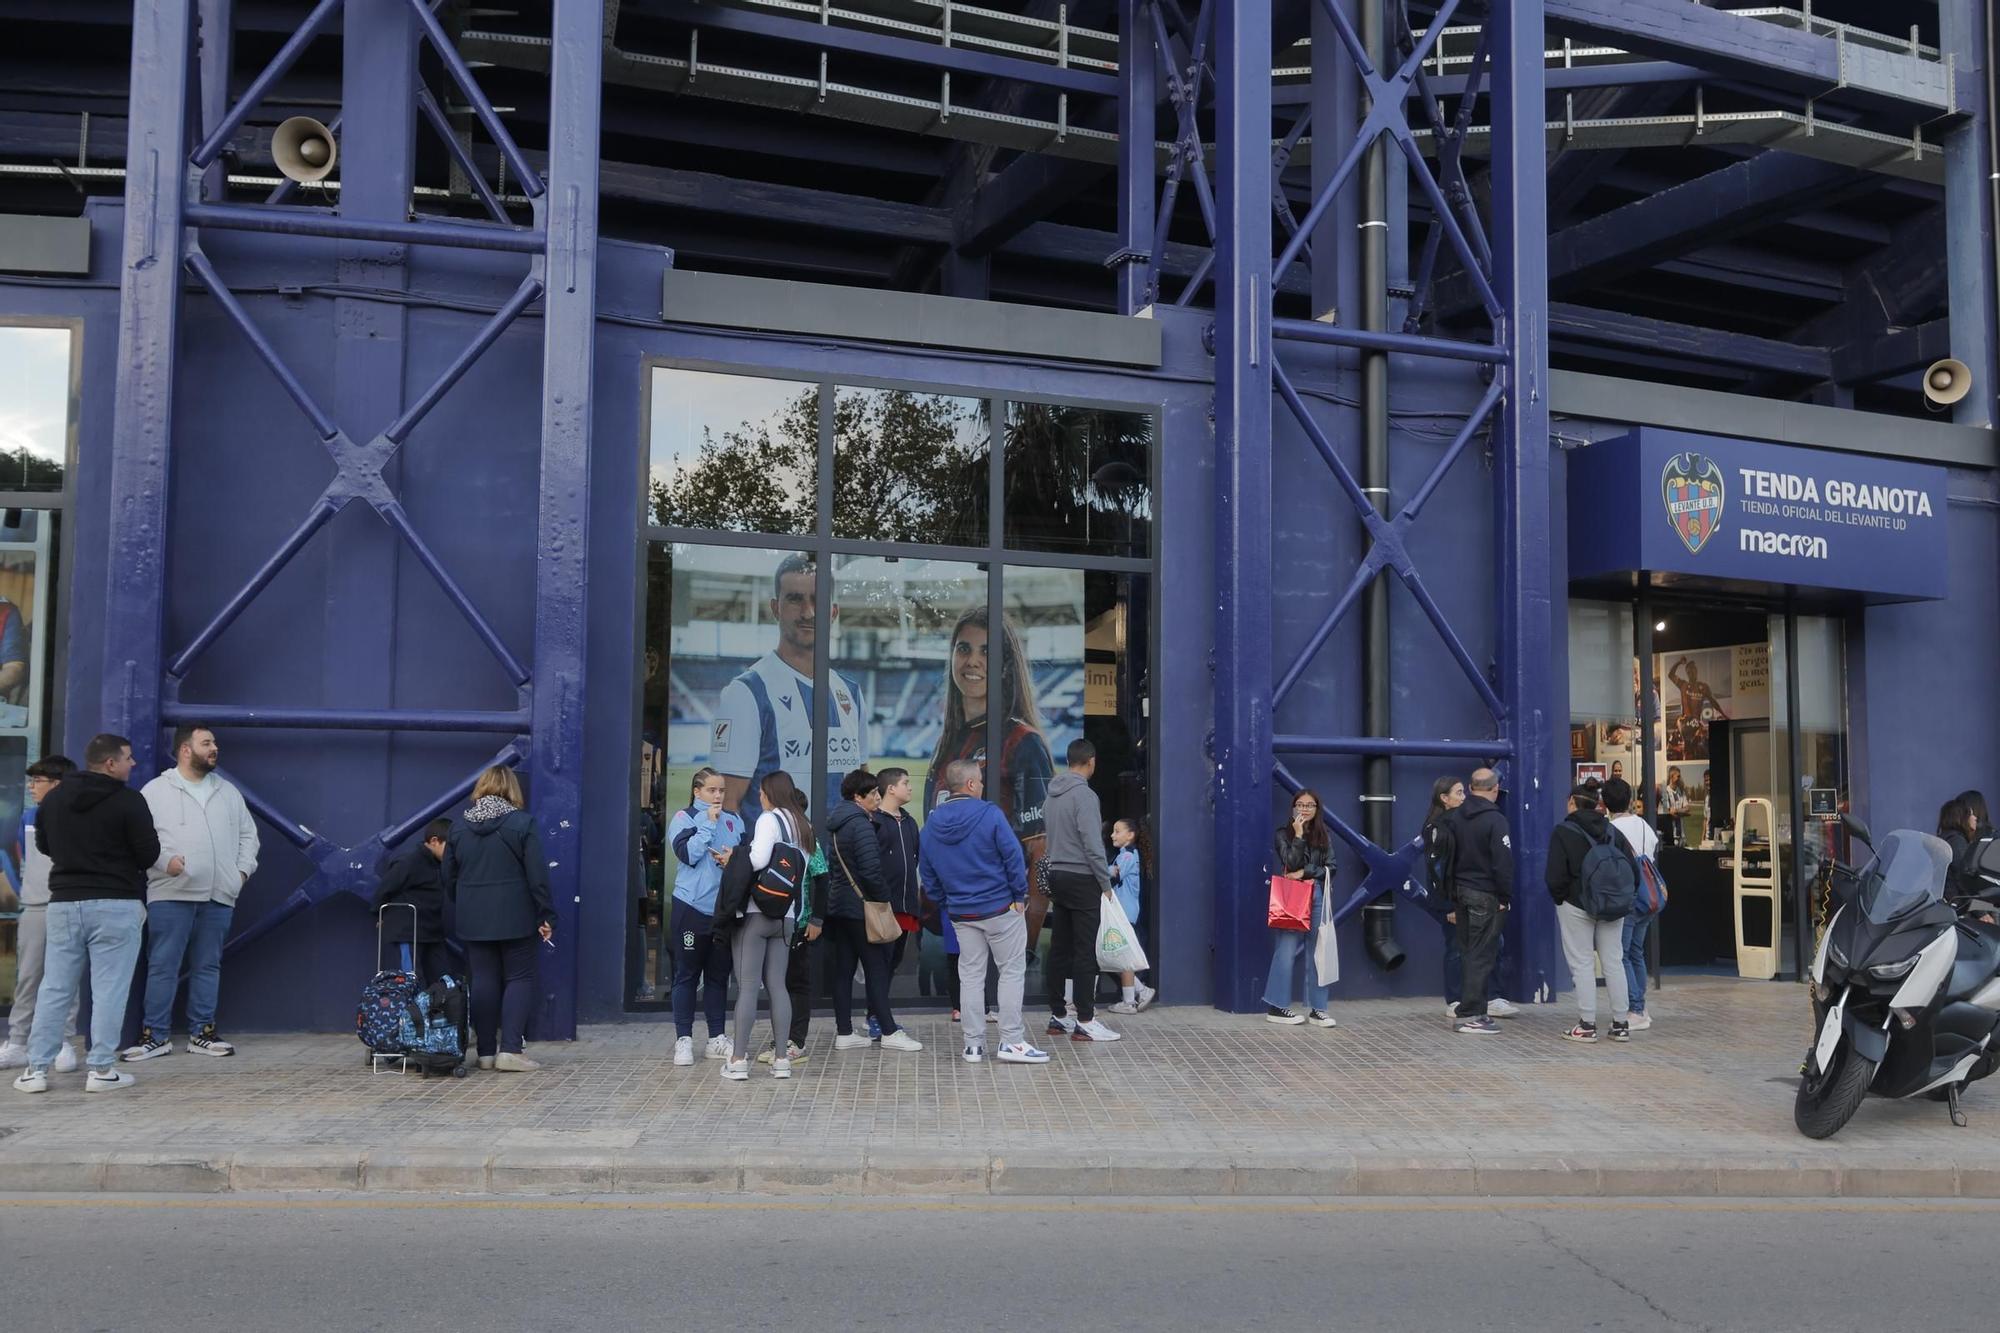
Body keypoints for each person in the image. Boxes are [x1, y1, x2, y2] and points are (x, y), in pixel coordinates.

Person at [14, 734, 158, 1094]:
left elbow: (45, 845)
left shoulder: (55, 799)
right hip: (115, 903)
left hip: (63, 903)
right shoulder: (129, 801)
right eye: (128, 758)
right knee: (109, 989)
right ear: (110, 763)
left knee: (55, 988)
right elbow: (148, 854)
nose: (133, 763)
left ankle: (35, 1070)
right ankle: (101, 1070)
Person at [124, 725, 260, 1061]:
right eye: (207, 743)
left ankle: (203, 1033)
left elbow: (249, 837)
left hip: (219, 896)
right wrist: (162, 861)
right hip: (171, 895)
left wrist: (239, 873)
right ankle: (155, 1036)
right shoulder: (155, 791)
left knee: (208, 966)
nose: (214, 748)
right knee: (162, 967)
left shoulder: (228, 792)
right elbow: (139, 839)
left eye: (214, 742)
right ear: (186, 749)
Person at [925, 608, 1056, 951]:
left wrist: (1023, 945)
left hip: (997, 922)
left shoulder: (1022, 742)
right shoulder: (949, 742)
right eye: (964, 648)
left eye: (987, 652)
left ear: (1005, 666)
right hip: (951, 917)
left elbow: (1040, 854)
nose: (973, 661)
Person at [712, 555, 869, 828]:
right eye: (795, 599)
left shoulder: (851, 693)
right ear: (776, 608)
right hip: (779, 865)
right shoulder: (746, 692)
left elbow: (863, 791)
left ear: (833, 612)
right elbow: (727, 805)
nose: (808, 612)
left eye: (817, 600)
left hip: (840, 865)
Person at [918, 758, 1048, 1064]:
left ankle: (973, 1045)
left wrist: (946, 902)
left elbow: (928, 872)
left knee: (971, 978)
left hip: (962, 912)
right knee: (1011, 973)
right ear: (971, 784)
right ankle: (1011, 1041)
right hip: (999, 907)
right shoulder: (989, 813)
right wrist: (1019, 895)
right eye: (979, 780)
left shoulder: (932, 823)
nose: (981, 785)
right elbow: (1013, 856)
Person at [443, 766, 555, 1072]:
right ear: (511, 790)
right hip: (516, 915)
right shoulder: (522, 823)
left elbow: (448, 877)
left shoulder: (458, 828)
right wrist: (545, 913)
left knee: (483, 980)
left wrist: (467, 901)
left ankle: (486, 1052)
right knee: (519, 977)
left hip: (473, 917)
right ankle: (510, 1050)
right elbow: (537, 875)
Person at [722, 771, 819, 1082]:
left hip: (756, 912)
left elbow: (759, 858)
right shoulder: (803, 824)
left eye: (762, 792)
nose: (759, 797)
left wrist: (732, 859)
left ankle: (738, 1059)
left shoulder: (769, 819)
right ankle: (781, 1060)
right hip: (787, 916)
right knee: (779, 986)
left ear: (770, 793)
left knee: (748, 986)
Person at [821, 769, 920, 1053]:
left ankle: (845, 1032)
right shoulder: (861, 824)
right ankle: (888, 1031)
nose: (877, 798)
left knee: (844, 970)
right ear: (857, 797)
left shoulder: (839, 822)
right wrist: (884, 901)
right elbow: (871, 871)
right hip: (860, 908)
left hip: (840, 906)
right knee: (877, 969)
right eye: (873, 794)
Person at [0, 755, 79, 1071]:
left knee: (65, 978)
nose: (31, 787)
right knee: (29, 977)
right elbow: (25, 859)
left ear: (57, 784)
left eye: (38, 781)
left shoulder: (79, 817)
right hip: (34, 906)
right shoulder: (29, 817)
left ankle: (63, 1042)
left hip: (68, 903)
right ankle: (18, 1042)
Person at [665, 767, 745, 1066]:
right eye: (712, 790)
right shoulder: (684, 818)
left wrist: (733, 861)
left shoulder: (734, 819)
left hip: (723, 910)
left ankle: (715, 1039)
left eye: (722, 790)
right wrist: (707, 826)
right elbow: (687, 855)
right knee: (686, 975)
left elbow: (746, 859)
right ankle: (683, 1040)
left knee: (718, 977)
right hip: (691, 908)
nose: (718, 796)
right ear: (697, 791)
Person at [1043, 740, 1121, 1042]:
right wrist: (1105, 883)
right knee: (1085, 950)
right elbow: (1092, 844)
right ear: (1090, 761)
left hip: (1058, 874)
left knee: (1060, 947)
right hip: (1082, 877)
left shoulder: (1051, 796)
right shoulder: (1085, 796)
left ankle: (1058, 1015)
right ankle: (1086, 1019)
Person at [1546, 781, 1634, 1044]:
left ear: (1572, 802)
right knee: (1613, 961)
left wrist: (1561, 899)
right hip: (1612, 905)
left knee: (1582, 963)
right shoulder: (1612, 830)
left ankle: (1587, 1024)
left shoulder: (1563, 831)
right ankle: (1620, 1024)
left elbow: (1555, 875)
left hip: (1576, 904)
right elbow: (1632, 869)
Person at [1263, 789, 1338, 1028]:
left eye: (1310, 805)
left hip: (1316, 893)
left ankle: (1318, 1009)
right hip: (1293, 897)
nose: (1304, 809)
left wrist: (1306, 872)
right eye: (1300, 805)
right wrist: (1298, 835)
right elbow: (1290, 863)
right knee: (1285, 950)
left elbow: (1332, 868)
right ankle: (1277, 1006)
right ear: (1293, 807)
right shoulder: (1282, 834)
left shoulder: (1324, 836)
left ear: (1317, 810)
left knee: (1319, 951)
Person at [1449, 769, 1515, 1035]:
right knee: (1482, 954)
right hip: (1486, 894)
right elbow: (1503, 863)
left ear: (1470, 786)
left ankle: (1474, 1011)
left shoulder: (1455, 817)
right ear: (1495, 789)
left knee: (1468, 952)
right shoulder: (1495, 820)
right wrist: (1505, 896)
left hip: (1461, 891)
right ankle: (1470, 1015)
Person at [1603, 777, 1660, 1031]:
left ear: (1605, 803)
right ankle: (1640, 1006)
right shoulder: (1644, 824)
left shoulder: (1613, 830)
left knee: (1622, 954)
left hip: (1627, 897)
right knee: (1635, 951)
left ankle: (1635, 1008)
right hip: (1649, 897)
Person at [871, 766, 924, 1038]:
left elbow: (915, 859)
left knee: (894, 961)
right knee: (881, 963)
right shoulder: (875, 821)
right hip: (882, 908)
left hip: (906, 906)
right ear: (890, 788)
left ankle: (876, 1015)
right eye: (906, 783)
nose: (910, 788)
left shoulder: (910, 821)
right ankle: (877, 1019)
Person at [372, 817, 455, 983]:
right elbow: (385, 887)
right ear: (434, 841)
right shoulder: (410, 861)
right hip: (410, 931)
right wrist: (379, 914)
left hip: (432, 931)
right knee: (411, 979)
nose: (453, 853)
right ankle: (413, 1009)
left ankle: (440, 1007)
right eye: (450, 847)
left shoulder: (439, 864)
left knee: (443, 978)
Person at [1103, 817, 1156, 1014]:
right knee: (1117, 955)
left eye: (1117, 831)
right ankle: (1138, 993)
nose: (1112, 835)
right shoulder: (1125, 854)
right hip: (1123, 912)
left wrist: (1099, 868)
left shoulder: (1127, 856)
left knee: (1119, 956)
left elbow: (1114, 874)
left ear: (1130, 835)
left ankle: (1132, 999)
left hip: (1123, 913)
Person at [1657, 766, 1690, 847]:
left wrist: (1677, 811)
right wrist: (1682, 811)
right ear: (1672, 776)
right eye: (1678, 776)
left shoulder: (1681, 791)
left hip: (1681, 834)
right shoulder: (1665, 792)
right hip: (1670, 834)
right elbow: (1670, 812)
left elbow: (1687, 808)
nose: (1679, 778)